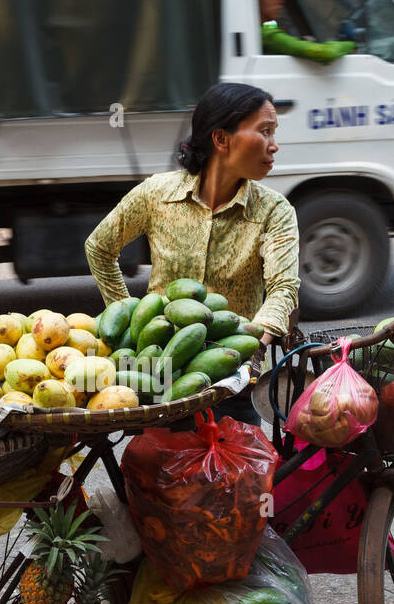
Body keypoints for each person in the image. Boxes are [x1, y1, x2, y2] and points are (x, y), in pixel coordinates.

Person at [85, 82, 300, 426]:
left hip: (230, 378)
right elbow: (99, 248)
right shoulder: (157, 194)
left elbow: (283, 288)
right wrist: (125, 318)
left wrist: (254, 343)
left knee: (237, 476)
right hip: (160, 372)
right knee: (157, 472)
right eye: (265, 131)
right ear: (222, 139)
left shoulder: (274, 211)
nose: (274, 146)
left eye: (274, 133)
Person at [260, 0, 356, 64]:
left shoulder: (265, 30)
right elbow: (324, 53)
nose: (281, 1)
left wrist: (299, 42)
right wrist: (352, 46)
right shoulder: (266, 34)